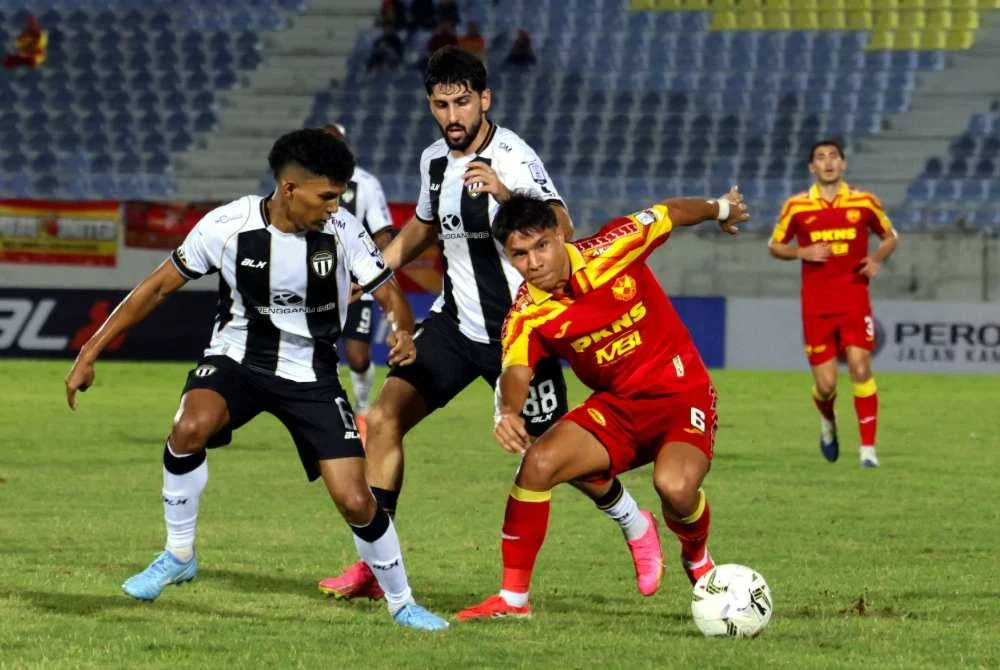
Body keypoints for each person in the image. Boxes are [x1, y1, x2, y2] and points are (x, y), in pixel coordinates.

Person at [64, 129, 448, 631]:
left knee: (356, 500)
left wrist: (402, 332)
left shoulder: (344, 231)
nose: (335, 206)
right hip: (238, 360)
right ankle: (179, 554)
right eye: (326, 196)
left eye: (339, 196)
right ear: (290, 188)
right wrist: (90, 352)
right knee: (188, 428)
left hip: (312, 373)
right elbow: (157, 286)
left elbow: (392, 297)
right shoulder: (227, 226)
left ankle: (403, 603)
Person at [319, 46, 660, 601]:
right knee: (382, 420)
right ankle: (376, 566)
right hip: (455, 325)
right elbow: (422, 229)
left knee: (552, 456)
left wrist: (507, 196)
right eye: (440, 104)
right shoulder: (434, 160)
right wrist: (374, 271)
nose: (452, 116)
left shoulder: (514, 157)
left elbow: (565, 229)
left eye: (461, 103)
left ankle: (633, 522)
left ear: (484, 100)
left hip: (522, 332)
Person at [455, 190, 749, 620]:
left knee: (675, 488)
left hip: (680, 392)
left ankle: (696, 554)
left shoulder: (615, 244)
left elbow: (671, 213)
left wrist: (720, 209)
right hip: (617, 408)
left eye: (541, 246)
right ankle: (513, 600)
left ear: (559, 235)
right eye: (519, 254)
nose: (533, 262)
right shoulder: (525, 314)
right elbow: (517, 371)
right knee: (536, 465)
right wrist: (508, 412)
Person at [768, 139, 899, 468]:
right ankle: (827, 421)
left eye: (833, 157)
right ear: (812, 167)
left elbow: (890, 236)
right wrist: (802, 252)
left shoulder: (865, 201)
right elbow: (774, 245)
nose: (827, 163)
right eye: (820, 158)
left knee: (860, 367)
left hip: (854, 298)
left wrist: (877, 258)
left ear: (844, 164)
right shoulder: (797, 207)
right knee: (825, 386)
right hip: (816, 306)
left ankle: (867, 450)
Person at [322, 122, 395, 441]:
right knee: (321, 353)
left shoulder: (364, 184)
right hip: (318, 287)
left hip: (356, 288)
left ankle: (362, 406)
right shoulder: (303, 184)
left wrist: (369, 276)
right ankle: (331, 414)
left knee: (357, 356)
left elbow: (383, 234)